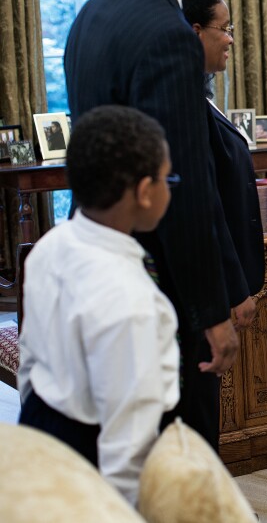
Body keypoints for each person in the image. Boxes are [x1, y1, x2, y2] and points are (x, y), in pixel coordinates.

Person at [64, 0, 242, 451]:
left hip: (95, 253)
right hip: (160, 277)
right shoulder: (168, 32)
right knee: (180, 435)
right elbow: (183, 182)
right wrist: (212, 311)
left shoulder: (92, 13)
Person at [17, 105, 179, 505]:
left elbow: (29, 359)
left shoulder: (50, 246)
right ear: (144, 192)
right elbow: (128, 440)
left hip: (41, 420)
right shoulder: (131, 300)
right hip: (95, 452)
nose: (169, 188)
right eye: (166, 178)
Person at [183, 0, 265, 327]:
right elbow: (205, 202)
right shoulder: (184, 104)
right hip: (212, 288)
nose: (231, 39)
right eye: (225, 28)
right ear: (196, 31)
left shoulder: (200, 94)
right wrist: (233, 288)